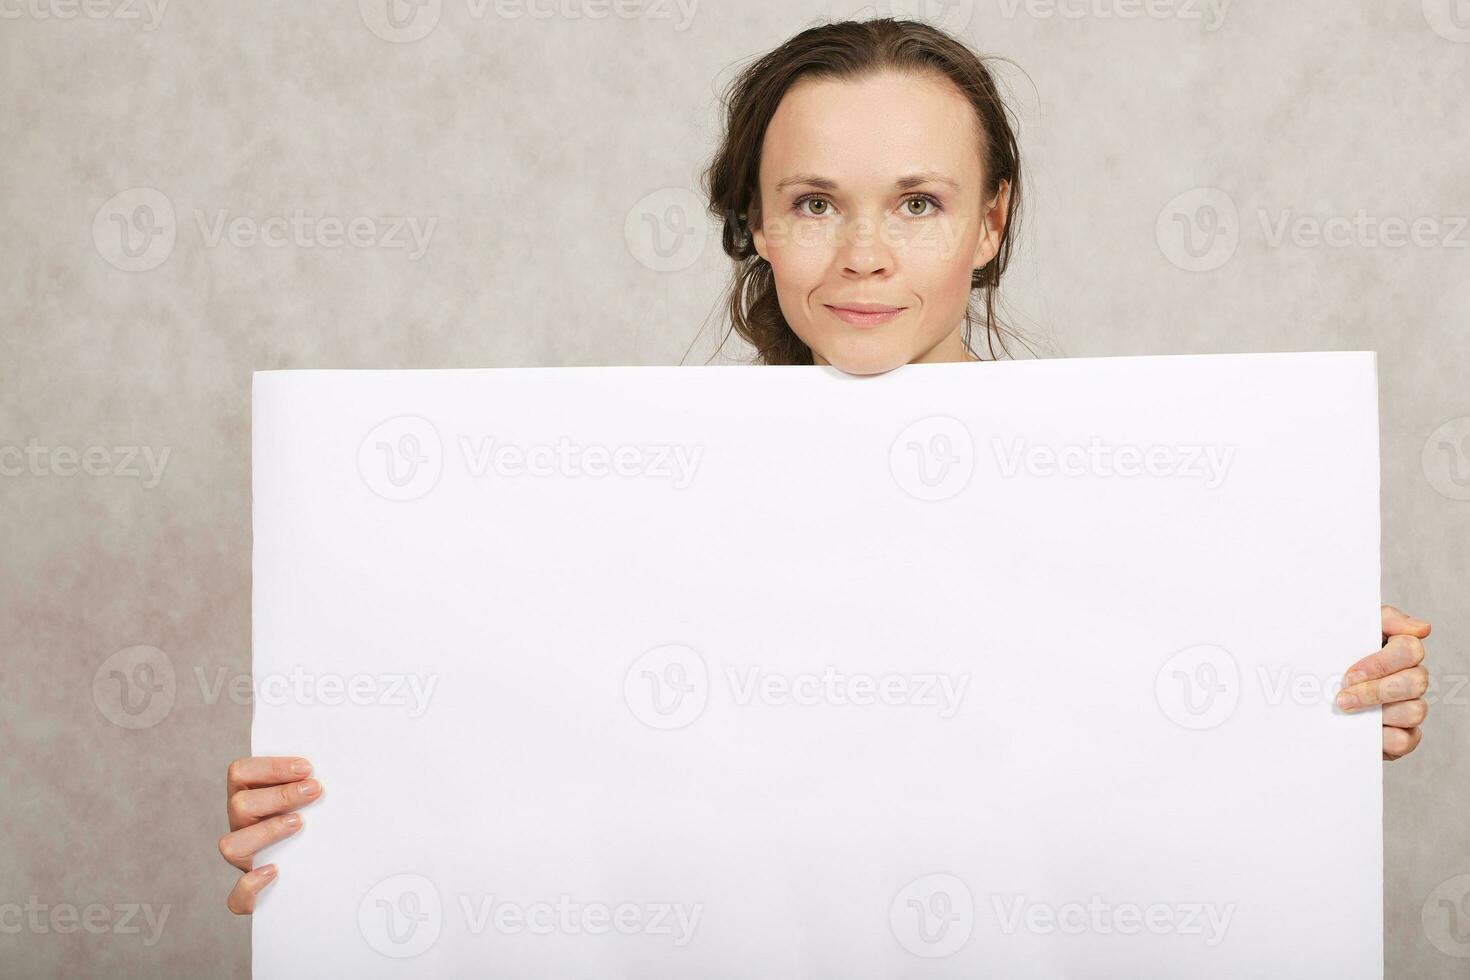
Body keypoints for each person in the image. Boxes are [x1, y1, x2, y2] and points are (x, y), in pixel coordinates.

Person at [219, 17, 1432, 914]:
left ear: (991, 221)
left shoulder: (1160, 510)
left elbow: (1171, 811)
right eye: (812, 203)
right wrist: (337, 828)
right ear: (752, 219)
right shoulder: (617, 518)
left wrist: (1321, 711)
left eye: (916, 203)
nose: (862, 254)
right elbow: (553, 804)